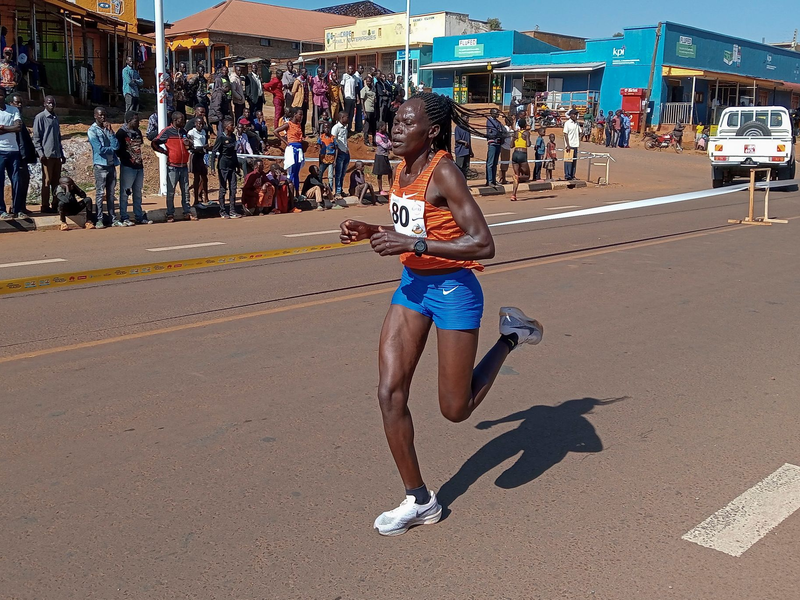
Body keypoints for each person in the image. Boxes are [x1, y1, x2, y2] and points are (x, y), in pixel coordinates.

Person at [338, 92, 544, 537]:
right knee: (389, 393)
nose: (395, 128)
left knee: (456, 409)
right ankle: (419, 500)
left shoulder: (444, 171)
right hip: (413, 287)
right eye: (394, 120)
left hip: (454, 291)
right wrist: (373, 231)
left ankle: (511, 335)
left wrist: (412, 245)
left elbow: (483, 243)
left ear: (430, 131)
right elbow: (416, 229)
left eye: (405, 122)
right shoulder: (401, 168)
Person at [152, 111, 196, 223]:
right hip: (172, 166)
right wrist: (164, 152)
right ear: (175, 120)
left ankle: (187, 211)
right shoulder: (167, 131)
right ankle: (170, 213)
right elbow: (155, 142)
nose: (184, 121)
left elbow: (190, 145)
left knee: (185, 191)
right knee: (171, 191)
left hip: (183, 166)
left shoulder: (183, 132)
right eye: (181, 119)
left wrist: (189, 144)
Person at [87, 107, 121, 228]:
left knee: (111, 194)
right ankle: (99, 219)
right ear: (95, 116)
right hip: (100, 165)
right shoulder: (92, 131)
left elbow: (117, 145)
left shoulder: (107, 129)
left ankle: (113, 218)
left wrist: (111, 132)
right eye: (100, 115)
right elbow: (99, 149)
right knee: (100, 193)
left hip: (111, 165)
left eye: (104, 115)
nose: (103, 117)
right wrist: (112, 149)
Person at [115, 111, 150, 226]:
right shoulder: (121, 133)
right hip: (128, 167)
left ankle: (139, 216)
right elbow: (117, 150)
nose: (138, 123)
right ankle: (124, 217)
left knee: (138, 193)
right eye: (136, 120)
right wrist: (128, 158)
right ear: (129, 120)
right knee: (125, 192)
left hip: (139, 166)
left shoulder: (138, 132)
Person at [32, 95, 65, 213]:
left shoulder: (55, 117)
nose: (51, 105)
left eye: (53, 103)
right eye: (49, 103)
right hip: (46, 155)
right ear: (44, 104)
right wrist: (40, 153)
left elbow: (58, 137)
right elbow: (36, 138)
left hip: (56, 155)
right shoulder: (40, 117)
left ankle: (55, 204)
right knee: (47, 181)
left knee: (57, 181)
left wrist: (62, 153)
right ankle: (45, 206)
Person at [0, 86, 24, 220]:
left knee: (17, 181)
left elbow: (18, 127)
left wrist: (2, 128)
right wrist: (11, 128)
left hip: (13, 150)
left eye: (2, 95)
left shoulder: (13, 110)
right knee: (0, 182)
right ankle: (2, 210)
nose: (0, 97)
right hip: (0, 150)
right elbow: (14, 127)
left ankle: (17, 209)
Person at [211, 118, 241, 219]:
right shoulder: (221, 137)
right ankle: (223, 211)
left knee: (233, 188)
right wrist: (212, 167)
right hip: (223, 166)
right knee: (223, 189)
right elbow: (214, 151)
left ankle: (232, 210)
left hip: (232, 166)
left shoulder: (233, 137)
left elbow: (234, 152)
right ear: (227, 127)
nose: (234, 127)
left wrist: (237, 166)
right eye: (232, 125)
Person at [9, 93, 34, 211]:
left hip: (23, 156)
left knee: (25, 180)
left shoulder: (20, 119)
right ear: (11, 104)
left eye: (20, 103)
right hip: (16, 155)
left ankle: (21, 206)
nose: (19, 105)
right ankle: (16, 207)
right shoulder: (12, 119)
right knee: (19, 181)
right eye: (16, 103)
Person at [273, 107, 305, 194]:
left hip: (299, 149)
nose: (301, 116)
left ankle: (297, 193)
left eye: (302, 115)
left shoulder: (299, 125)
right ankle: (289, 193)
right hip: (292, 149)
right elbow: (276, 131)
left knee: (296, 172)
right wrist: (285, 141)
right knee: (291, 172)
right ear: (295, 114)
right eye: (300, 114)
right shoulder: (288, 124)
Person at [187, 115, 210, 205]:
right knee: (196, 177)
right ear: (195, 123)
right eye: (199, 124)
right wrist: (202, 147)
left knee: (205, 177)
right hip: (195, 155)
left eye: (202, 124)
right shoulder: (191, 132)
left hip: (203, 155)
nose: (200, 126)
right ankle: (196, 199)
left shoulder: (204, 132)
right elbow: (190, 146)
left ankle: (206, 197)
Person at [331, 110, 349, 200]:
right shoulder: (336, 128)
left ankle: (340, 190)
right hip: (340, 154)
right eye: (346, 117)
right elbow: (333, 142)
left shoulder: (345, 127)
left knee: (343, 174)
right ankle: (337, 192)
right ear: (342, 118)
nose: (348, 118)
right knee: (338, 174)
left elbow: (345, 140)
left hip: (346, 153)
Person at [510, 119, 530, 201]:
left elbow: (511, 145)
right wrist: (526, 138)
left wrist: (515, 138)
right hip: (522, 154)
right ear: (525, 125)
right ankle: (519, 178)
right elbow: (528, 144)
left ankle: (513, 195)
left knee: (516, 174)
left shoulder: (515, 133)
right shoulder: (526, 133)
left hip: (515, 154)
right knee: (527, 176)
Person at [373, 120, 393, 195]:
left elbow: (389, 144)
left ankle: (391, 188)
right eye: (384, 126)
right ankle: (380, 189)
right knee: (380, 173)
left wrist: (388, 144)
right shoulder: (377, 136)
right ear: (381, 127)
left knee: (389, 172)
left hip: (385, 155)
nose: (386, 127)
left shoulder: (386, 135)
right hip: (380, 156)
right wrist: (388, 143)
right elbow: (386, 145)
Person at [485, 108, 503, 187]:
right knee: (490, 163)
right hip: (492, 143)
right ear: (492, 113)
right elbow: (494, 132)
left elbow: (501, 130)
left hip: (498, 143)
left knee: (495, 163)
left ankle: (494, 180)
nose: (497, 114)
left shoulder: (498, 122)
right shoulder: (489, 121)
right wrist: (499, 132)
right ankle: (490, 181)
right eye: (496, 113)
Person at [318, 120, 337, 192]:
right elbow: (320, 148)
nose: (326, 129)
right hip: (323, 159)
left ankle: (330, 190)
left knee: (330, 176)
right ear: (323, 129)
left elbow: (336, 149)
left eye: (328, 127)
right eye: (325, 127)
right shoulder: (321, 137)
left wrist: (335, 160)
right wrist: (319, 158)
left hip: (331, 159)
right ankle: (320, 188)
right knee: (320, 174)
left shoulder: (333, 138)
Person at [563, 109, 581, 181]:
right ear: (571, 115)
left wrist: (579, 137)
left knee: (574, 161)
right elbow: (565, 134)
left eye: (576, 114)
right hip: (569, 145)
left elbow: (580, 131)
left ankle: (573, 175)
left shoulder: (577, 123)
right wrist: (567, 145)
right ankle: (567, 175)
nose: (576, 116)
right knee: (568, 161)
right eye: (574, 114)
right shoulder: (567, 123)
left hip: (575, 144)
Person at [290, 67, 309, 136]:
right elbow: (293, 92)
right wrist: (296, 99)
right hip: (299, 103)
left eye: (306, 72)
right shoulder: (298, 81)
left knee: (304, 119)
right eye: (305, 72)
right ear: (302, 73)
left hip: (305, 102)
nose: (306, 73)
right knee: (298, 118)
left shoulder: (305, 81)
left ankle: (303, 133)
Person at [311, 66, 329, 134]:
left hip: (323, 100)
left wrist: (323, 82)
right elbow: (315, 91)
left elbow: (326, 88)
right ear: (318, 72)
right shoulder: (314, 80)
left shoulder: (323, 79)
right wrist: (323, 90)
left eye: (322, 72)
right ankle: (316, 130)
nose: (321, 73)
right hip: (317, 101)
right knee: (316, 116)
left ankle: (324, 129)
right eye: (320, 72)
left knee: (325, 115)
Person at [361, 75, 377, 146]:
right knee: (366, 127)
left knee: (373, 127)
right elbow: (362, 101)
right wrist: (364, 112)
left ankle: (374, 141)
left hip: (373, 110)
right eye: (367, 81)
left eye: (369, 81)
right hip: (367, 110)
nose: (368, 83)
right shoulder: (364, 90)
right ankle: (366, 141)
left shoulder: (373, 89)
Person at [341, 64, 357, 135]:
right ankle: (344, 128)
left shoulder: (354, 77)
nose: (351, 70)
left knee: (351, 114)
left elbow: (355, 88)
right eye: (350, 69)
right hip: (347, 98)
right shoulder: (344, 76)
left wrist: (357, 98)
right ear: (347, 69)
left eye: (352, 69)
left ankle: (349, 128)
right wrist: (343, 96)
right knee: (346, 114)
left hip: (353, 98)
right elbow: (342, 86)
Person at [498, 115, 512, 185]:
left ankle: (503, 178)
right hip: (504, 147)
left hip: (507, 147)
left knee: (506, 163)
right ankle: (502, 178)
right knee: (504, 163)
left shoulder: (508, 129)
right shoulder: (506, 129)